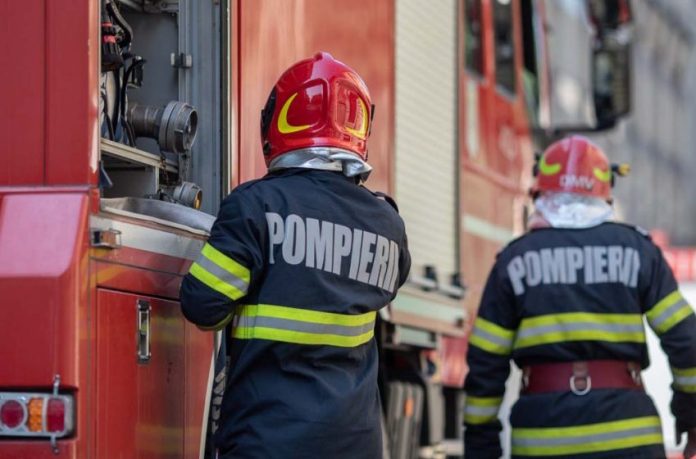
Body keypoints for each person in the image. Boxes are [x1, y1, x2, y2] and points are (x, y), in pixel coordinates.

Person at [180, 52, 411, 459]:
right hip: (356, 446)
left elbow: (203, 307)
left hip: (268, 443)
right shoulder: (387, 223)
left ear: (278, 122)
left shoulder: (254, 207)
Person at [463, 135, 696, 459]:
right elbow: (687, 343)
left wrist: (480, 445)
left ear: (541, 188)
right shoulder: (639, 252)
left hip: (543, 439)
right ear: (605, 188)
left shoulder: (514, 260)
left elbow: (486, 363)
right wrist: (690, 416)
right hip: (628, 437)